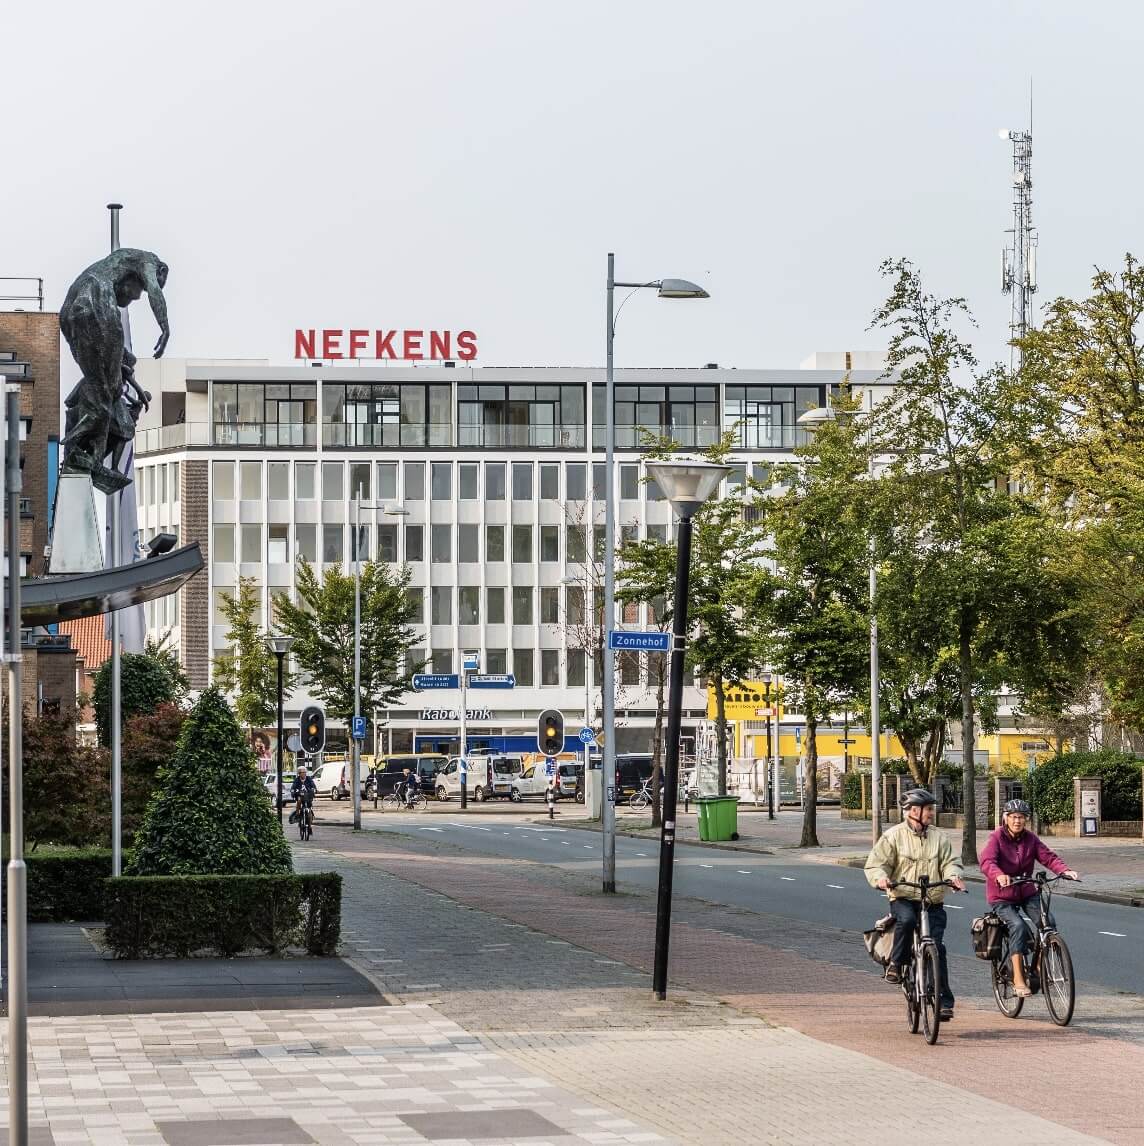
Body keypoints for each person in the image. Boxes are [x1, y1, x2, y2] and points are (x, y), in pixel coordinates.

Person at [865, 788, 965, 1020]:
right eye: (928, 809)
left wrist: (953, 877)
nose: (932, 813)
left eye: (931, 808)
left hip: (931, 899)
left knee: (937, 948)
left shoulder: (939, 837)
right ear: (913, 811)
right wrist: (881, 879)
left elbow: (951, 862)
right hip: (903, 897)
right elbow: (875, 864)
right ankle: (897, 964)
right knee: (907, 920)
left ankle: (943, 1002)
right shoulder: (893, 836)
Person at [979, 799, 1079, 996]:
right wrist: (998, 875)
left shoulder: (1030, 839)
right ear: (1005, 818)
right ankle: (1018, 979)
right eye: (1014, 817)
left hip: (1026, 891)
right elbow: (987, 861)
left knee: (1048, 922)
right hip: (1002, 895)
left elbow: (1048, 857)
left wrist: (1064, 870)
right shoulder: (996, 838)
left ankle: (1039, 968)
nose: (1018, 821)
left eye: (1022, 817)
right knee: (1017, 926)